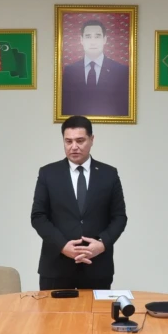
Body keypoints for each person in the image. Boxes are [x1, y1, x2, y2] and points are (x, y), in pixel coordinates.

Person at [31, 115, 128, 291]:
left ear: (92, 140)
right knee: (53, 311)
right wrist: (62, 245)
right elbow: (38, 216)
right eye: (68, 141)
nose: (74, 147)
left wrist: (102, 244)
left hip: (97, 267)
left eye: (80, 141)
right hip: (56, 267)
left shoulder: (109, 174)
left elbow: (119, 217)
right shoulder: (48, 173)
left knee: (96, 311)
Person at [60, 20, 130, 117]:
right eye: (88, 37)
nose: (93, 42)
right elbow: (65, 106)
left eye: (97, 36)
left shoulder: (121, 71)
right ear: (81, 40)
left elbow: (124, 108)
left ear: (104, 40)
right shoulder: (70, 71)